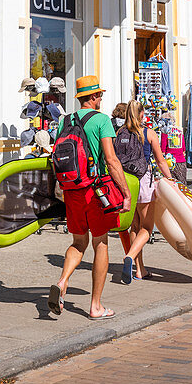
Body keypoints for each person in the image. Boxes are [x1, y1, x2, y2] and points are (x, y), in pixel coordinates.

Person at [49, 75, 130, 321]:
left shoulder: (64, 120)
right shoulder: (102, 120)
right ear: (93, 97)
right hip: (96, 192)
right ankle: (95, 306)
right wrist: (125, 193)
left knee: (78, 243)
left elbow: (55, 159)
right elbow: (112, 160)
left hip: (71, 190)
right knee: (101, 243)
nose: (102, 99)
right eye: (100, 95)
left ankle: (62, 281)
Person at [118, 100, 173, 284]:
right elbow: (160, 161)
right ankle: (129, 257)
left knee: (134, 227)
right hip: (143, 181)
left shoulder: (120, 133)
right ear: (141, 114)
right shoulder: (148, 133)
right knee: (147, 228)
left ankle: (139, 269)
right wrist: (172, 180)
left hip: (125, 183)